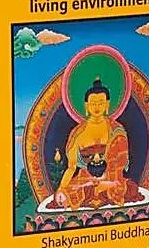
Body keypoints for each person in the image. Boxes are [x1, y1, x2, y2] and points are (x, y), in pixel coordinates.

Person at [51, 77, 142, 209]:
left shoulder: (116, 130)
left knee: (131, 189)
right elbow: (71, 168)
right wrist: (61, 188)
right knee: (70, 191)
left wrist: (107, 182)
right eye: (93, 103)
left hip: (111, 179)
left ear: (107, 104)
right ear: (86, 105)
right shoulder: (78, 133)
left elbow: (120, 165)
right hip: (85, 179)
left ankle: (101, 191)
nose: (97, 107)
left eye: (101, 102)